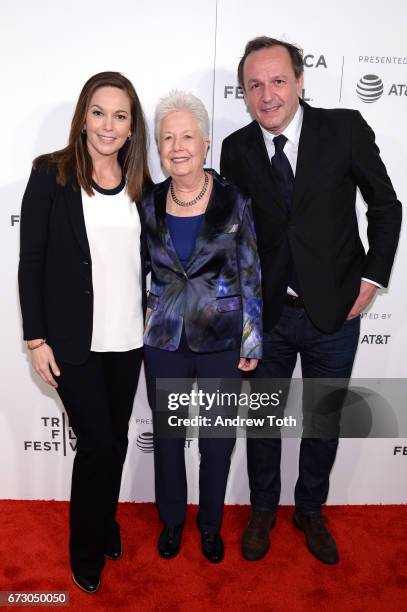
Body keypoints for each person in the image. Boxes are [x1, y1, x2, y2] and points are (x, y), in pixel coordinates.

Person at [220, 36, 401, 564]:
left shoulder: (343, 129)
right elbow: (234, 235)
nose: (267, 94)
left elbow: (386, 208)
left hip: (336, 313)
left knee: (323, 421)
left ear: (301, 81)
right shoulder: (235, 149)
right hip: (269, 315)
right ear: (245, 92)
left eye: (278, 81)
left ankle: (310, 510)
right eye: (255, 85)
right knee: (262, 424)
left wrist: (373, 279)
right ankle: (261, 511)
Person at [18, 72, 152, 592]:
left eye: (120, 116)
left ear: (131, 126)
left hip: (127, 339)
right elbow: (31, 264)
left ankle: (106, 521)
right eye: (99, 112)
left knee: (113, 441)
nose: (108, 125)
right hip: (73, 343)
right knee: (97, 442)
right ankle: (85, 545)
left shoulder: (141, 182)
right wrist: (36, 339)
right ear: (83, 115)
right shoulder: (50, 175)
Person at [142, 90, 262, 563]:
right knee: (169, 438)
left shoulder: (235, 199)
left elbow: (251, 271)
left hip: (222, 341)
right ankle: (172, 520)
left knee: (216, 442)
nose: (177, 146)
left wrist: (252, 337)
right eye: (167, 137)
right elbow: (137, 271)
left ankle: (209, 525)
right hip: (165, 340)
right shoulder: (148, 202)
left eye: (186, 136)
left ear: (205, 142)